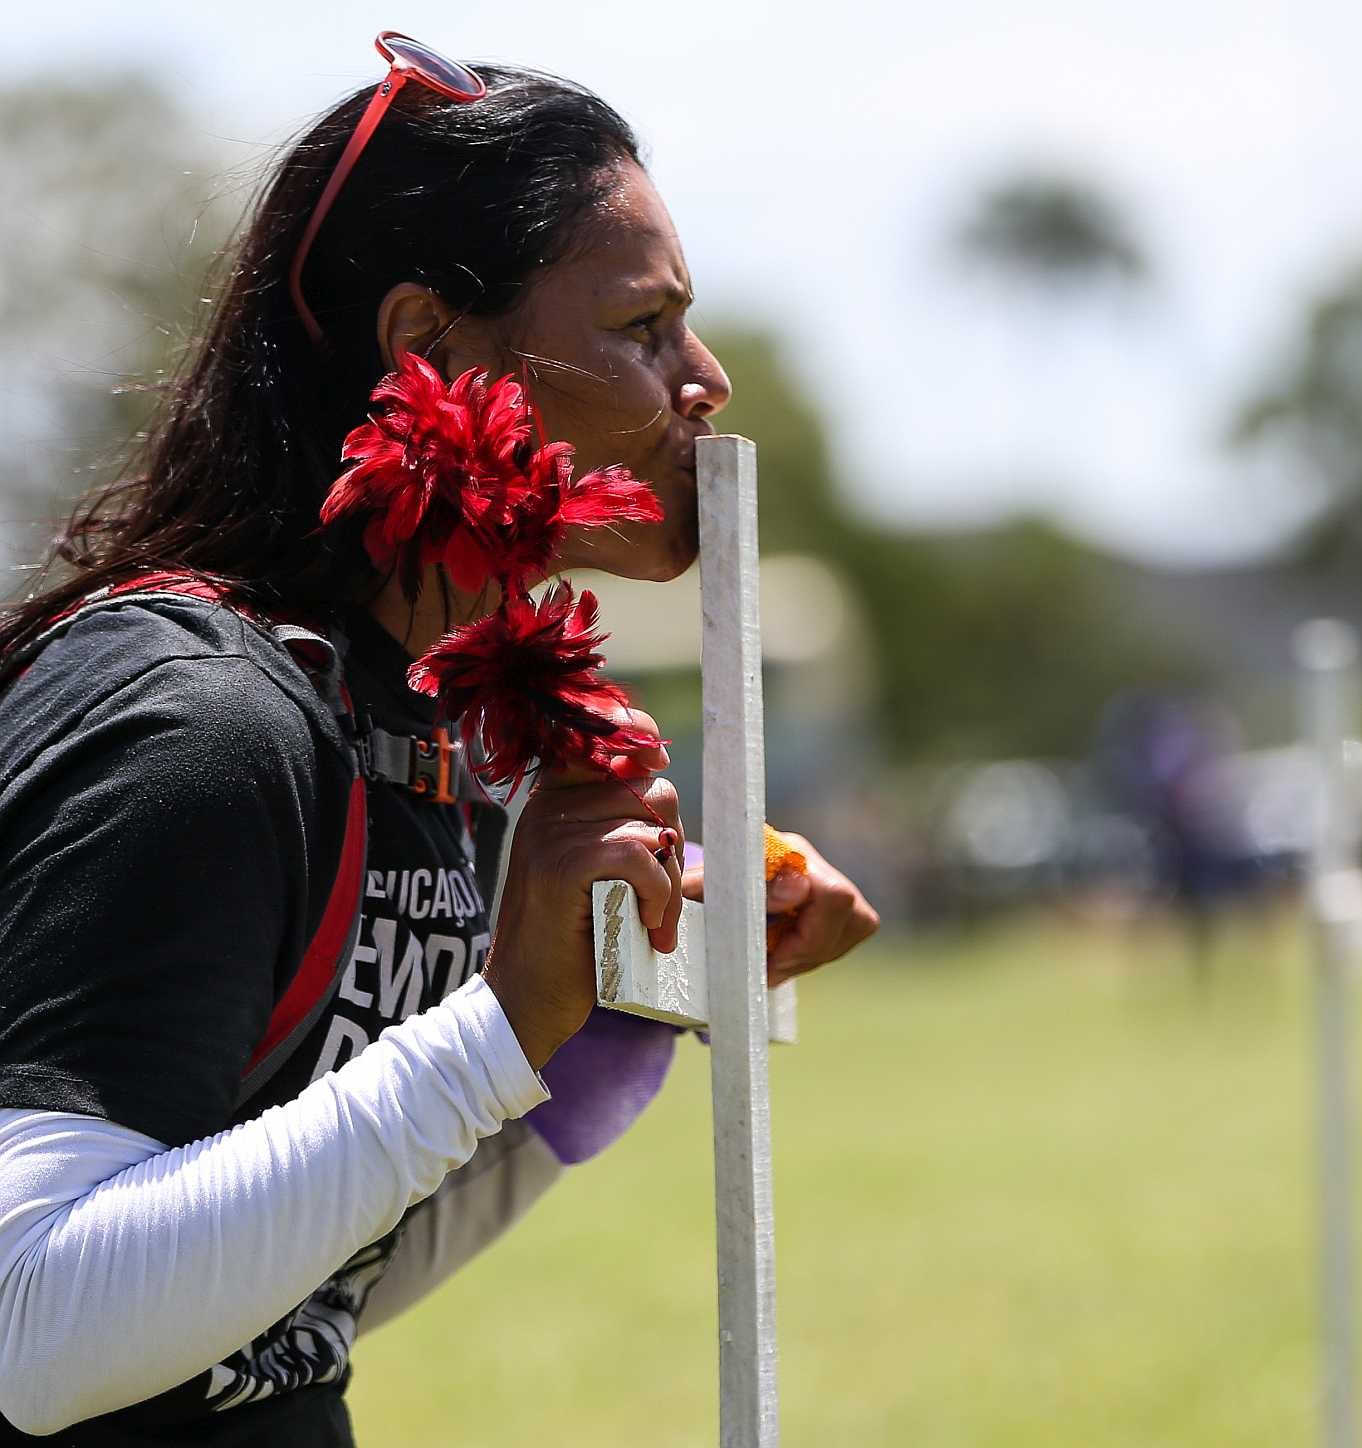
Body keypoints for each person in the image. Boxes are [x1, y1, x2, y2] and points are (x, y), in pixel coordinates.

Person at [0, 43, 878, 1445]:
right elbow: (33, 1334)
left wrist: (606, 999)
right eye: (642, 326)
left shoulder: (419, 729)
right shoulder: (200, 724)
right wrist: (499, 1025)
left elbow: (285, 1297)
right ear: (425, 346)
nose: (702, 378)